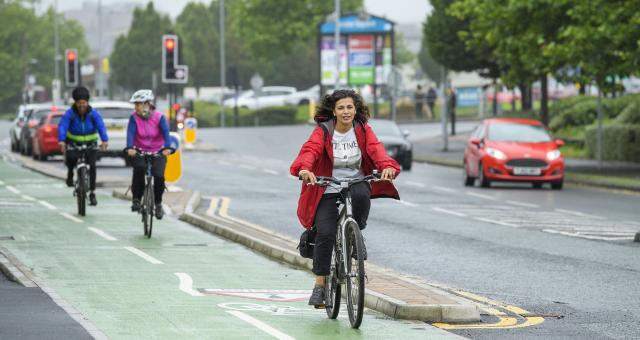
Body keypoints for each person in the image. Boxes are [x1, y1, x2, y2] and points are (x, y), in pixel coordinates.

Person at [290, 89, 401, 308]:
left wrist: (387, 166)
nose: (346, 111)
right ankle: (320, 285)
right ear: (334, 111)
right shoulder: (323, 131)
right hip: (326, 186)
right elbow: (310, 151)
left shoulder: (362, 130)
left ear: (356, 109)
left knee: (362, 195)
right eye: (341, 108)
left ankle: (354, 235)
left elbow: (377, 151)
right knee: (325, 232)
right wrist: (305, 169)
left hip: (355, 182)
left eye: (350, 107)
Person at [124, 89, 172, 219]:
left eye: (138, 104)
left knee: (159, 176)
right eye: (135, 104)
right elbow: (130, 134)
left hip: (158, 151)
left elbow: (166, 133)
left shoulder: (159, 117)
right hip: (140, 150)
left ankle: (158, 204)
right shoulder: (134, 118)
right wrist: (130, 148)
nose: (136, 107)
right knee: (139, 169)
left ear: (147, 104)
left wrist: (167, 147)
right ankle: (136, 199)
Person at [58, 86, 109, 206]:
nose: (82, 106)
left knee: (92, 166)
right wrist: (62, 140)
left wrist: (104, 140)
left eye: (84, 103)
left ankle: (92, 193)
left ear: (87, 102)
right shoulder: (70, 114)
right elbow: (63, 126)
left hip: (91, 143)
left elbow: (101, 125)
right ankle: (70, 173)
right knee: (70, 158)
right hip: (74, 142)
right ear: (75, 103)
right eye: (79, 103)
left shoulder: (93, 113)